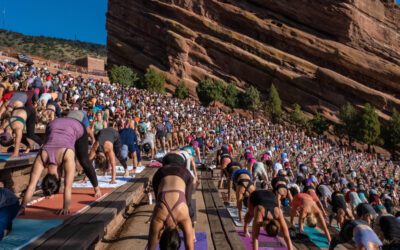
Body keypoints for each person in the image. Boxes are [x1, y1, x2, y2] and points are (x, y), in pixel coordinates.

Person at [20, 117, 85, 215]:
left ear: (58, 179)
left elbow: (32, 186)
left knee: (84, 159)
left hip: (75, 125)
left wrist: (22, 207)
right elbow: (67, 187)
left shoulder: (66, 155)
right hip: (53, 123)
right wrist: (22, 207)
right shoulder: (42, 157)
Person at [148, 165, 194, 250]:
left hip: (173, 173)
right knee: (187, 207)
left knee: (188, 206)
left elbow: (151, 247)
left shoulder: (158, 218)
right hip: (164, 173)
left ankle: (192, 231)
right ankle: (192, 232)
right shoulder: (158, 218)